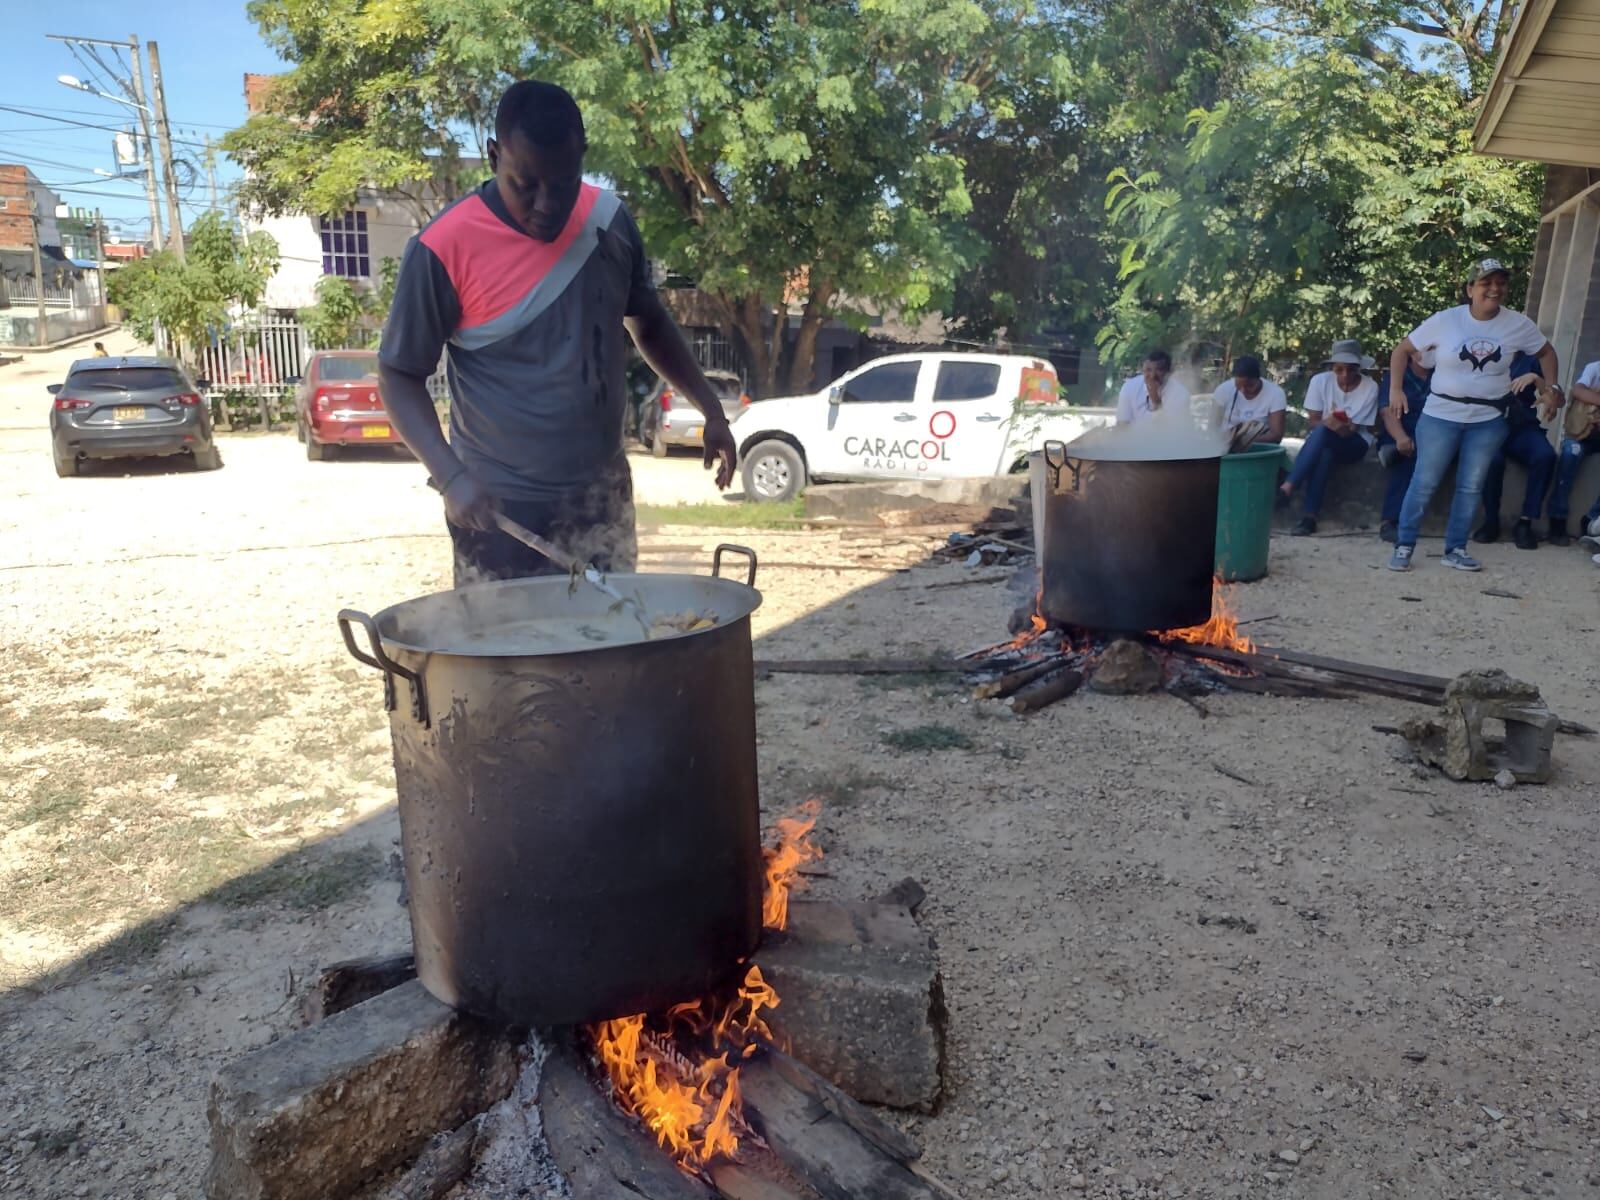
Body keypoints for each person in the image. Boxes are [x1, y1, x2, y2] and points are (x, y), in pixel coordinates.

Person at [376, 80, 736, 586]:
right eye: (525, 184)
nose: (546, 203)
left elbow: (648, 320)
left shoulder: (610, 221)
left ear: (582, 157)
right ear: (494, 154)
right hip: (498, 506)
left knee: (612, 641)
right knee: (507, 656)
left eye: (563, 183)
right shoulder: (442, 248)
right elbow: (397, 375)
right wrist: (451, 475)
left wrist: (711, 408)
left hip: (600, 495)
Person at [1385, 259, 1560, 573]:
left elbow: (1546, 352)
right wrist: (1395, 391)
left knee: (1470, 486)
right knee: (1424, 481)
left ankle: (1455, 549)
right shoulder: (1446, 320)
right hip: (1441, 414)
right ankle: (1404, 544)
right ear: (1470, 289)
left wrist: (1553, 385)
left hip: (1488, 418)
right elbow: (1401, 351)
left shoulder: (1518, 324)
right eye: (1485, 283)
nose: (1494, 289)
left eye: (1500, 283)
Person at [1277, 340, 1379, 535]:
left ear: (1359, 368)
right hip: (1324, 439)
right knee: (1324, 451)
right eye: (1339, 369)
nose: (1345, 375)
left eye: (1351, 370)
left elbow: (1353, 429)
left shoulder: (1370, 387)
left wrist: (1335, 426)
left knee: (1324, 433)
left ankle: (1289, 485)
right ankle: (1309, 518)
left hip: (1355, 442)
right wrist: (1331, 424)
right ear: (1332, 367)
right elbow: (1313, 420)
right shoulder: (1320, 381)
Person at [1474, 351, 1558, 550]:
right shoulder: (1484, 352)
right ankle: (1491, 521)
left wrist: (1536, 379)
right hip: (1488, 426)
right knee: (1492, 461)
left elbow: (1555, 401)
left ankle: (1525, 522)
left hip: (1522, 427)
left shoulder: (1531, 359)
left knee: (1545, 456)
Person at [1375, 350, 1433, 542]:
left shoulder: (1442, 377)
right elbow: (1386, 411)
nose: (1430, 354)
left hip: (1431, 435)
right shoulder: (1395, 376)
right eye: (1426, 349)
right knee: (1407, 455)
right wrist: (1401, 438)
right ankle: (1389, 521)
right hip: (1398, 434)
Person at [1548, 358, 1600, 546]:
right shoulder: (1595, 368)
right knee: (1570, 455)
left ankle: (1592, 519)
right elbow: (1578, 390)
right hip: (1580, 433)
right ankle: (1557, 518)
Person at [1211, 354, 1286, 445]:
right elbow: (1212, 427)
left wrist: (1242, 441)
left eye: (1249, 386)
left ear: (1258, 379)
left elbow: (1276, 435)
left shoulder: (1276, 394)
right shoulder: (1223, 390)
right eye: (1238, 386)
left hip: (1258, 449)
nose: (1243, 390)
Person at [1115, 349, 1189, 424]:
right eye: (1148, 370)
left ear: (1169, 372)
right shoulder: (1129, 388)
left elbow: (1172, 430)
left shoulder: (1180, 393)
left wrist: (1156, 402)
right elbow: (1122, 425)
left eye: (1159, 370)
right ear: (1142, 370)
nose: (1153, 376)